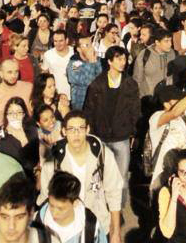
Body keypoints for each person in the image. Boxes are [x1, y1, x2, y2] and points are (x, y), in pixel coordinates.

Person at [38, 110, 123, 243]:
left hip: (98, 225)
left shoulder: (103, 155)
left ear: (87, 129)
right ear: (64, 131)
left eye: (80, 128)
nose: (76, 134)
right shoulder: (53, 161)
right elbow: (45, 198)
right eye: (71, 129)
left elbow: (114, 193)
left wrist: (115, 232)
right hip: (66, 231)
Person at [83, 46, 140, 206]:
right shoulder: (97, 84)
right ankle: (100, 207)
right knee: (99, 175)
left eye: (125, 59)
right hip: (100, 137)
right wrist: (91, 134)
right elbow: (89, 110)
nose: (123, 62)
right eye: (119, 59)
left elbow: (135, 111)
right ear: (109, 61)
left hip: (121, 137)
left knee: (121, 177)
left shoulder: (130, 84)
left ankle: (118, 208)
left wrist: (133, 132)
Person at [33, 171, 107, 243]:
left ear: (75, 203)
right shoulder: (37, 222)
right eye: (51, 206)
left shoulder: (91, 225)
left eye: (60, 209)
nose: (54, 213)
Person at [132, 29, 176, 99]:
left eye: (170, 40)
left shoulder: (173, 54)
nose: (170, 44)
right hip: (149, 100)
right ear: (157, 42)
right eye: (166, 41)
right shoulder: (145, 55)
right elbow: (137, 81)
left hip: (167, 99)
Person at [0, 98, 39, 173]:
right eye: (11, 113)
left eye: (19, 112)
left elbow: (34, 161)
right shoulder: (2, 135)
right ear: (6, 115)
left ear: (24, 114)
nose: (15, 116)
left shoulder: (32, 131)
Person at [66, 37, 102, 111]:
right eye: (86, 45)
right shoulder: (74, 63)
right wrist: (91, 63)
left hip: (97, 103)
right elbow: (87, 82)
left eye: (90, 44)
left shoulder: (96, 60)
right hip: (81, 105)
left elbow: (101, 79)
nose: (90, 48)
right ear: (79, 49)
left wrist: (93, 61)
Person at [0, 173, 38, 243]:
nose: (11, 226)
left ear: (31, 214)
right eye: (5, 217)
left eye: (19, 217)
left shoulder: (47, 239)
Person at [41, 31, 74, 100]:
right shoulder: (48, 55)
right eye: (55, 41)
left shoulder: (74, 52)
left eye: (61, 41)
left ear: (67, 40)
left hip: (74, 94)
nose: (58, 44)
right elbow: (44, 74)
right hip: (55, 95)